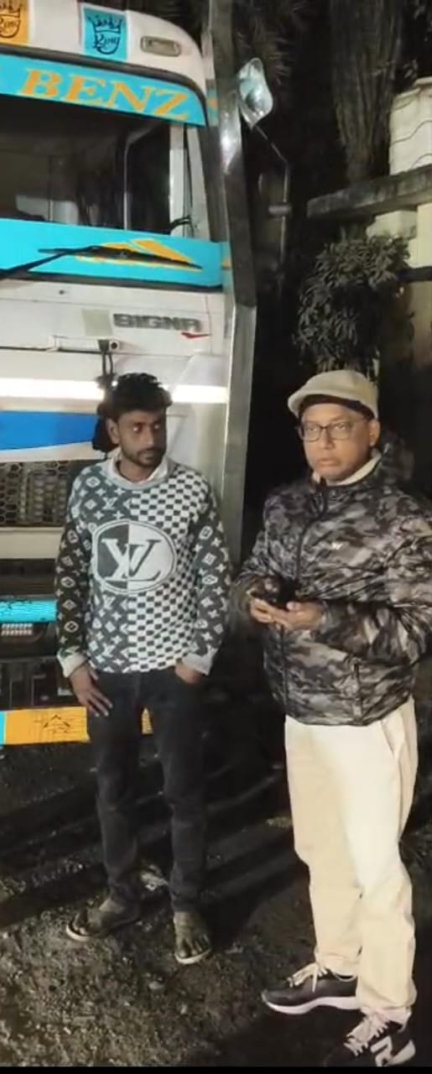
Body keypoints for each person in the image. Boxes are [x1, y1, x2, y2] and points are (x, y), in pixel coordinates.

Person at [233, 369, 432, 1066]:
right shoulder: (287, 503)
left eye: (339, 428)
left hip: (366, 719)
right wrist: (255, 599)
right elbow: (251, 570)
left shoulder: (404, 518)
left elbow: (416, 631)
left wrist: (324, 618)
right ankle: (341, 967)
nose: (323, 442)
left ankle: (390, 1014)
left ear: (372, 431)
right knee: (320, 850)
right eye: (311, 429)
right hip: (301, 712)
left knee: (377, 870)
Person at [55, 372, 231, 964]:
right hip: (107, 672)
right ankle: (121, 896)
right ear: (113, 431)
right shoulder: (88, 489)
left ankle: (186, 903)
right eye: (137, 427)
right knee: (114, 791)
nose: (151, 438)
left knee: (183, 792)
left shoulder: (191, 490)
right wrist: (74, 661)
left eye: (157, 425)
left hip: (173, 671)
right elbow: (71, 574)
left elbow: (215, 576)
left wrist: (197, 660)